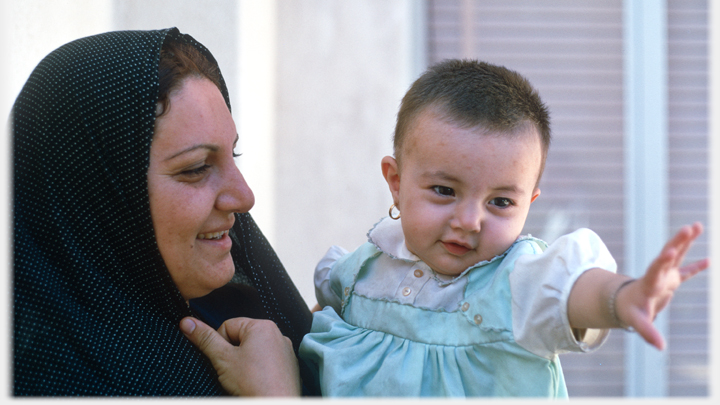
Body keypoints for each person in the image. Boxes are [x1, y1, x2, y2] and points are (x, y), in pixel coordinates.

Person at [298, 59, 709, 397]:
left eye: (500, 202)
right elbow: (320, 329)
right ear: (396, 182)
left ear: (528, 204)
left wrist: (623, 296)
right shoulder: (360, 272)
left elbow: (574, 292)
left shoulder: (516, 281)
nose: (469, 221)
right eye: (444, 190)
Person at [12, 28, 316, 396]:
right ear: (99, 198)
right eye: (196, 168)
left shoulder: (235, 312)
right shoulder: (51, 383)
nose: (244, 196)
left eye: (232, 155)